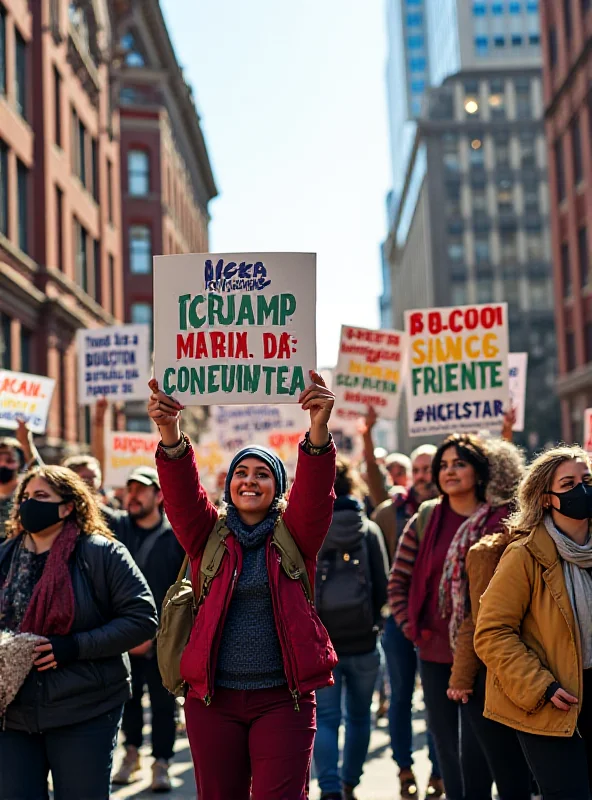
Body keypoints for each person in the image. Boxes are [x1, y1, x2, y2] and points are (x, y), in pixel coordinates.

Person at [148, 370, 338, 800]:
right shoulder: (205, 534)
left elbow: (316, 493)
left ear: (278, 489)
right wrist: (169, 430)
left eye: (262, 474)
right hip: (213, 701)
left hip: (283, 700)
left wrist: (318, 430)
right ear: (229, 485)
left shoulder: (297, 535)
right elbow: (180, 492)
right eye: (241, 473)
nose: (250, 480)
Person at [0, 465, 157, 799]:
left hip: (85, 707)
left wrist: (74, 647)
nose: (30, 503)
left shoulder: (102, 553)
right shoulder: (5, 556)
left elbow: (142, 617)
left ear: (68, 506)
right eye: (25, 497)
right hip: (13, 713)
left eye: (41, 496)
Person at [389, 433, 512, 800]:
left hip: (488, 655)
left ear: (479, 470)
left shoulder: (501, 520)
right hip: (434, 652)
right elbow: (398, 581)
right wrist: (412, 630)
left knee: (482, 749)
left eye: (459, 463)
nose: (449, 471)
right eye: (443, 465)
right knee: (447, 749)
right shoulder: (426, 519)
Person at [475, 446, 592, 800]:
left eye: (587, 480)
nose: (582, 490)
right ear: (546, 499)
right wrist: (542, 687)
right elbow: (491, 633)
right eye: (569, 484)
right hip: (553, 703)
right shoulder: (523, 555)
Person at [446, 438, 531, 800]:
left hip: (545, 678)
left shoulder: (546, 537)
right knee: (505, 773)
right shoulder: (488, 545)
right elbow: (477, 618)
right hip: (499, 675)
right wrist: (462, 677)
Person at [313, 457, 389, 800]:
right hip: (363, 640)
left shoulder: (312, 529)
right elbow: (383, 586)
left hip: (323, 643)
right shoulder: (368, 529)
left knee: (327, 718)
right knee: (360, 717)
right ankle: (349, 784)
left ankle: (328, 788)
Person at [110, 465, 185, 793]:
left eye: (141, 489)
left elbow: (182, 592)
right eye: (130, 489)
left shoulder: (176, 536)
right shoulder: (117, 530)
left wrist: (155, 636)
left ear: (159, 495)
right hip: (122, 636)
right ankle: (131, 755)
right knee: (127, 699)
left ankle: (161, 762)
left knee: (162, 702)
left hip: (162, 641)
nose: (134, 496)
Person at [0, 420, 41, 539]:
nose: (2, 464)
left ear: (20, 464)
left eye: (9, 460)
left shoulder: (27, 493)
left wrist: (26, 443)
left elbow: (42, 475)